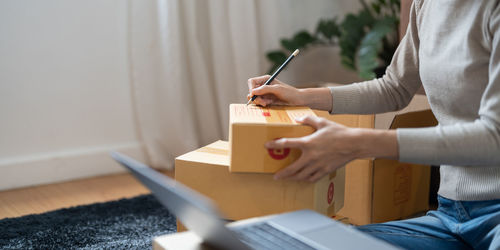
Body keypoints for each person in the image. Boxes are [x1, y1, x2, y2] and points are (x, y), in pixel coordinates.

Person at [247, 0, 500, 249]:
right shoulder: (426, 4)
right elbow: (394, 88)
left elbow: (494, 137)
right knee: (315, 243)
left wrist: (356, 143)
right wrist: (300, 96)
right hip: (450, 213)